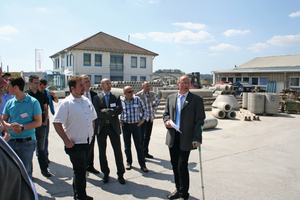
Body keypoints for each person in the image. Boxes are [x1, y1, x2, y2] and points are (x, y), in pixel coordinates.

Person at [53, 75, 97, 200]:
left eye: (84, 84)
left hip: (88, 142)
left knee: (80, 171)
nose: (84, 87)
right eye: (81, 85)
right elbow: (57, 123)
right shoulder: (66, 103)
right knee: (80, 172)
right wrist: (66, 139)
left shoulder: (86, 101)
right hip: (75, 144)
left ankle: (78, 195)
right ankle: (80, 197)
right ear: (72, 88)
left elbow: (93, 118)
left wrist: (92, 134)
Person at [163, 75, 206, 200]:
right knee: (174, 164)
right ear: (178, 84)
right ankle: (178, 188)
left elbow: (200, 121)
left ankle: (183, 194)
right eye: (183, 83)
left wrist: (197, 138)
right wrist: (167, 122)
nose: (186, 85)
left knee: (182, 165)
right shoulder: (171, 98)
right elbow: (166, 114)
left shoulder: (196, 99)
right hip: (173, 136)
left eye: (188, 83)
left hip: (187, 137)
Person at [2, 77, 42, 179]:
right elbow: (3, 121)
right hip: (11, 142)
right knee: (11, 173)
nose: (7, 88)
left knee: (26, 172)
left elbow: (38, 122)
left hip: (27, 143)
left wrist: (22, 127)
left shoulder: (33, 102)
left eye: (9, 86)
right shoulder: (9, 103)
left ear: (16, 87)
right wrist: (10, 126)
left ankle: (28, 194)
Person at [93, 78, 125, 184]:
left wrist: (106, 111)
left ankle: (121, 174)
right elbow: (97, 112)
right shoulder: (97, 98)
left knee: (118, 152)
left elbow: (119, 109)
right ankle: (105, 173)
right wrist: (111, 112)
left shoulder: (116, 97)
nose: (109, 85)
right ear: (101, 86)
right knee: (102, 152)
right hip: (101, 128)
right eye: (107, 84)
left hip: (113, 127)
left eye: (110, 83)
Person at [26, 75, 51, 177]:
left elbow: (45, 108)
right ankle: (29, 173)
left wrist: (45, 121)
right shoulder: (26, 95)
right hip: (29, 126)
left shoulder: (42, 94)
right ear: (30, 83)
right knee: (29, 150)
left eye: (38, 83)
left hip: (41, 125)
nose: (38, 84)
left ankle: (44, 170)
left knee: (41, 148)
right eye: (35, 83)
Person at [120, 86, 148, 173]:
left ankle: (142, 165)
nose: (131, 93)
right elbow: (118, 111)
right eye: (129, 92)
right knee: (127, 146)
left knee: (139, 146)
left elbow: (145, 110)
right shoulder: (121, 101)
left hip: (136, 126)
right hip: (126, 126)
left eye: (132, 91)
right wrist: (119, 120)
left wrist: (142, 120)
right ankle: (129, 162)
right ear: (124, 93)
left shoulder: (137, 99)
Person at [80, 74, 100, 174]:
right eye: (85, 82)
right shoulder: (79, 95)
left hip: (92, 126)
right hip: (81, 126)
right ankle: (82, 167)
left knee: (91, 146)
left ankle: (90, 166)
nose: (88, 83)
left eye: (88, 81)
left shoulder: (94, 94)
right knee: (82, 148)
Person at [136, 81, 160, 158]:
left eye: (149, 86)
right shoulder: (138, 95)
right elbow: (136, 106)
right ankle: (141, 154)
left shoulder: (152, 94)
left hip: (150, 118)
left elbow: (158, 99)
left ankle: (146, 152)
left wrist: (155, 107)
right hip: (143, 119)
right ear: (143, 87)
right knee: (141, 137)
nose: (148, 87)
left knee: (148, 136)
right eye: (146, 86)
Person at [39, 78, 59, 164]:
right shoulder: (35, 94)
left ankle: (45, 156)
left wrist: (54, 96)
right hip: (36, 118)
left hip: (45, 118)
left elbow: (57, 101)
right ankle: (40, 156)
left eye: (44, 87)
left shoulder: (47, 93)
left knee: (45, 138)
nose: (43, 89)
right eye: (41, 87)